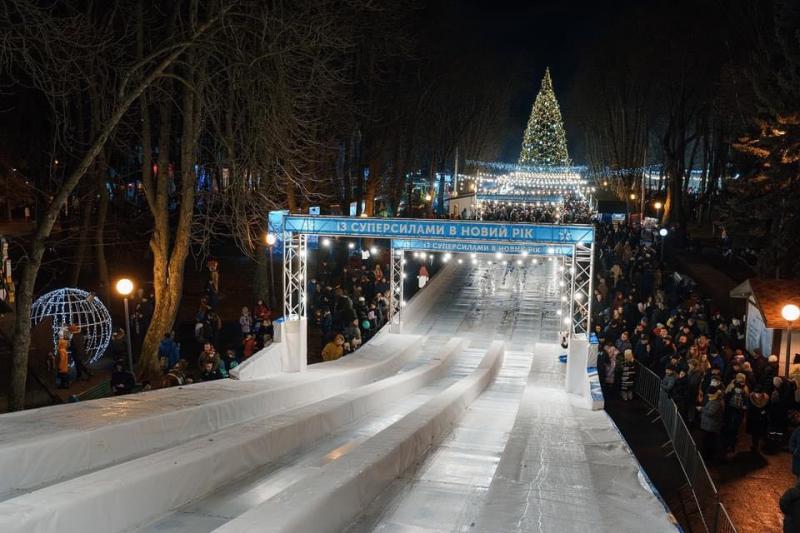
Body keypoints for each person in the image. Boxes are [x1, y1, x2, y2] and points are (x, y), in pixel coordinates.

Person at [701, 385, 724, 460]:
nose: (708, 395)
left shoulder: (716, 402)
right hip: (710, 425)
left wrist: (702, 409)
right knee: (708, 440)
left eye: (709, 394)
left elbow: (710, 412)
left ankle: (708, 457)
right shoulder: (714, 399)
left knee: (709, 441)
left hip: (711, 426)